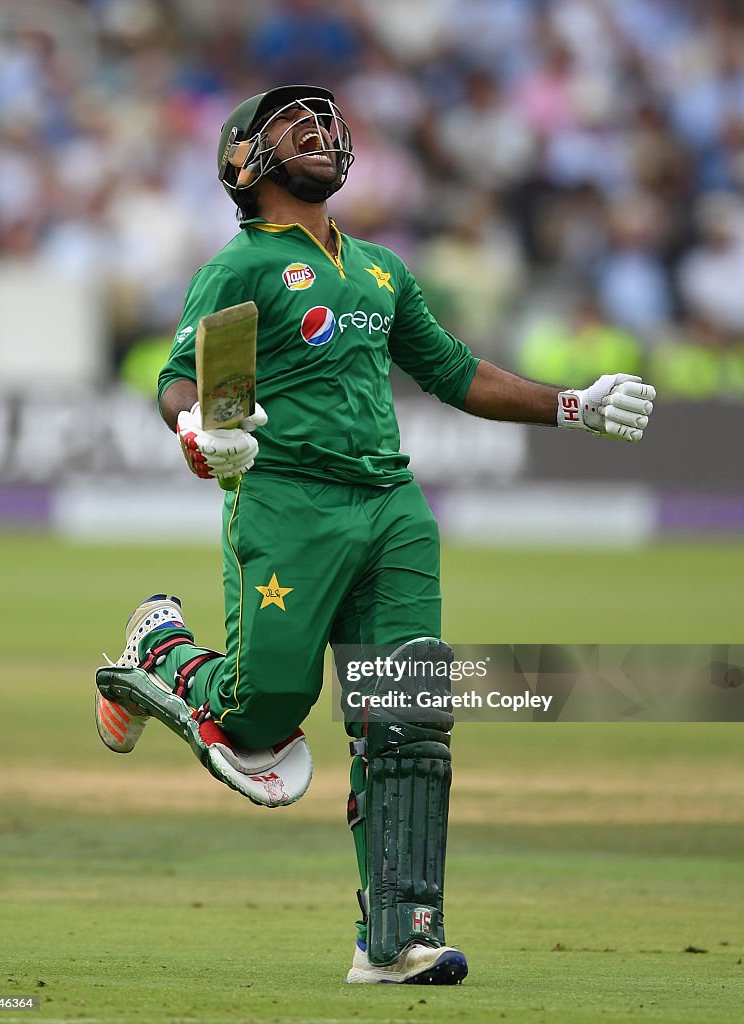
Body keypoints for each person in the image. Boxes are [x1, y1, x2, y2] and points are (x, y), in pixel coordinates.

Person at [94, 85, 656, 986]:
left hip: (391, 508)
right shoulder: (241, 266)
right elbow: (175, 379)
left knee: (406, 716)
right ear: (244, 162)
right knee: (259, 721)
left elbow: (454, 372)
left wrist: (572, 405)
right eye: (290, 124)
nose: (317, 131)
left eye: (323, 121)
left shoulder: (382, 268)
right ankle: (160, 646)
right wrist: (196, 427)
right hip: (286, 501)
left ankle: (396, 942)